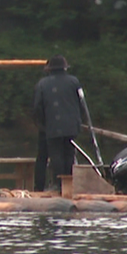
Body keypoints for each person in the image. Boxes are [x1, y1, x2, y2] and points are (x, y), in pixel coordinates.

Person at [32, 55, 84, 192]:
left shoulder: (42, 84)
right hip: (71, 126)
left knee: (55, 155)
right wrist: (78, 121)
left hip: (52, 126)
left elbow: (37, 107)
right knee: (69, 155)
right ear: (65, 68)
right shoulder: (74, 82)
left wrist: (42, 125)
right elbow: (81, 103)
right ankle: (68, 186)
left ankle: (55, 185)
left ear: (49, 69)